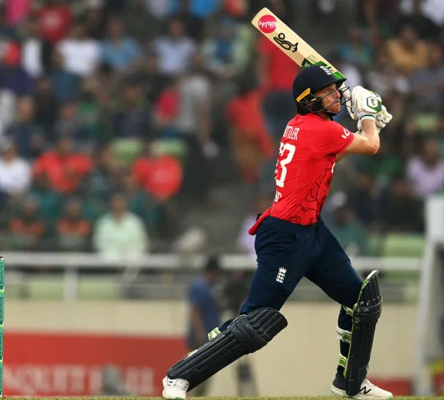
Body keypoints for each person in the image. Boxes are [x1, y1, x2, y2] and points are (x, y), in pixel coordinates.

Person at [161, 65, 394, 400]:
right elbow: (370, 147)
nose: (336, 96)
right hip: (285, 236)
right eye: (328, 92)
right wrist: (368, 116)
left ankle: (351, 383)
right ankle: (179, 377)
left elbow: (343, 150)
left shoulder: (302, 126)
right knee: (255, 324)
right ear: (309, 100)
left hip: (312, 230)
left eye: (336, 90)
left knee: (362, 302)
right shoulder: (320, 130)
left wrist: (367, 122)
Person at [186, 255, 222, 396]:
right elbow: (195, 311)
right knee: (193, 374)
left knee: (206, 375)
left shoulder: (214, 288)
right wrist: (200, 334)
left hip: (211, 337)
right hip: (200, 338)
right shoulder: (199, 286)